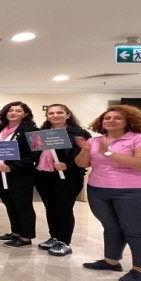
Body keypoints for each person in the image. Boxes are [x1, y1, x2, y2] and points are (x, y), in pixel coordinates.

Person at [75, 105, 141, 281]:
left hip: (137, 193)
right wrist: (86, 149)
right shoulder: (95, 140)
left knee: (136, 232)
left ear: (128, 121)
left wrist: (107, 152)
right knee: (111, 228)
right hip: (99, 190)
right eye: (107, 118)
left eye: (117, 118)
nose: (111, 120)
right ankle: (111, 261)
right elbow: (81, 164)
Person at [34, 104, 91, 256]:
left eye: (59, 112)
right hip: (43, 176)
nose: (55, 115)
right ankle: (54, 237)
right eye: (51, 113)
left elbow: (88, 156)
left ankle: (64, 242)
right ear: (47, 116)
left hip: (68, 177)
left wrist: (68, 165)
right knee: (50, 208)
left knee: (64, 209)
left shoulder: (79, 133)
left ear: (68, 115)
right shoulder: (41, 134)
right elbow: (35, 153)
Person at [0, 101, 39, 248]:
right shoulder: (1, 128)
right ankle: (16, 232)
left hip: (19, 174)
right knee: (9, 203)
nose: (13, 113)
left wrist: (12, 167)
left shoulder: (31, 131)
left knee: (23, 205)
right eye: (10, 110)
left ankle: (26, 237)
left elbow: (33, 155)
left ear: (25, 114)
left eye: (18, 111)